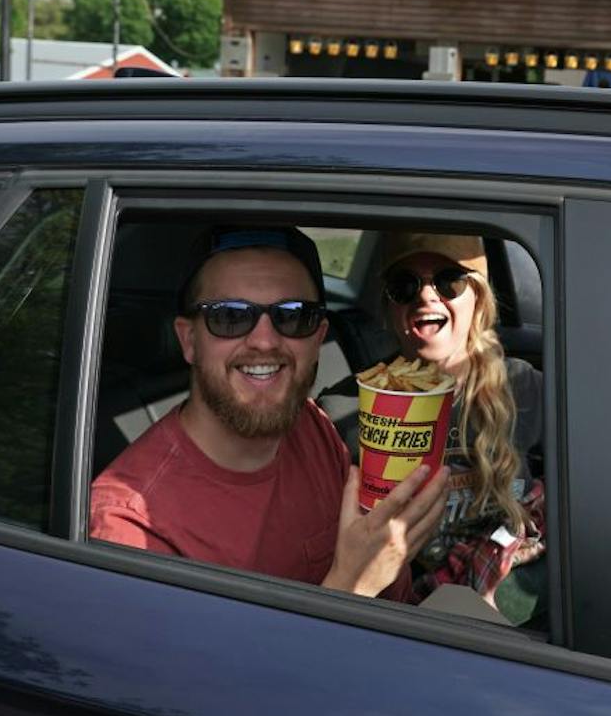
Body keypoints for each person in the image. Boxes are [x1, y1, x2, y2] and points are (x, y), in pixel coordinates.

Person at [90, 226, 449, 598]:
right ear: (189, 340)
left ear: (318, 336)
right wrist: (352, 585)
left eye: (293, 316)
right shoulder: (130, 527)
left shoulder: (313, 427)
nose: (264, 340)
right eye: (230, 316)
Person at [372, 232, 546, 625]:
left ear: (478, 298)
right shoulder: (351, 407)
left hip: (513, 619)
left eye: (449, 281)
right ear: (390, 308)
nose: (427, 297)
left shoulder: (528, 389)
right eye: (406, 285)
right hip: (413, 622)